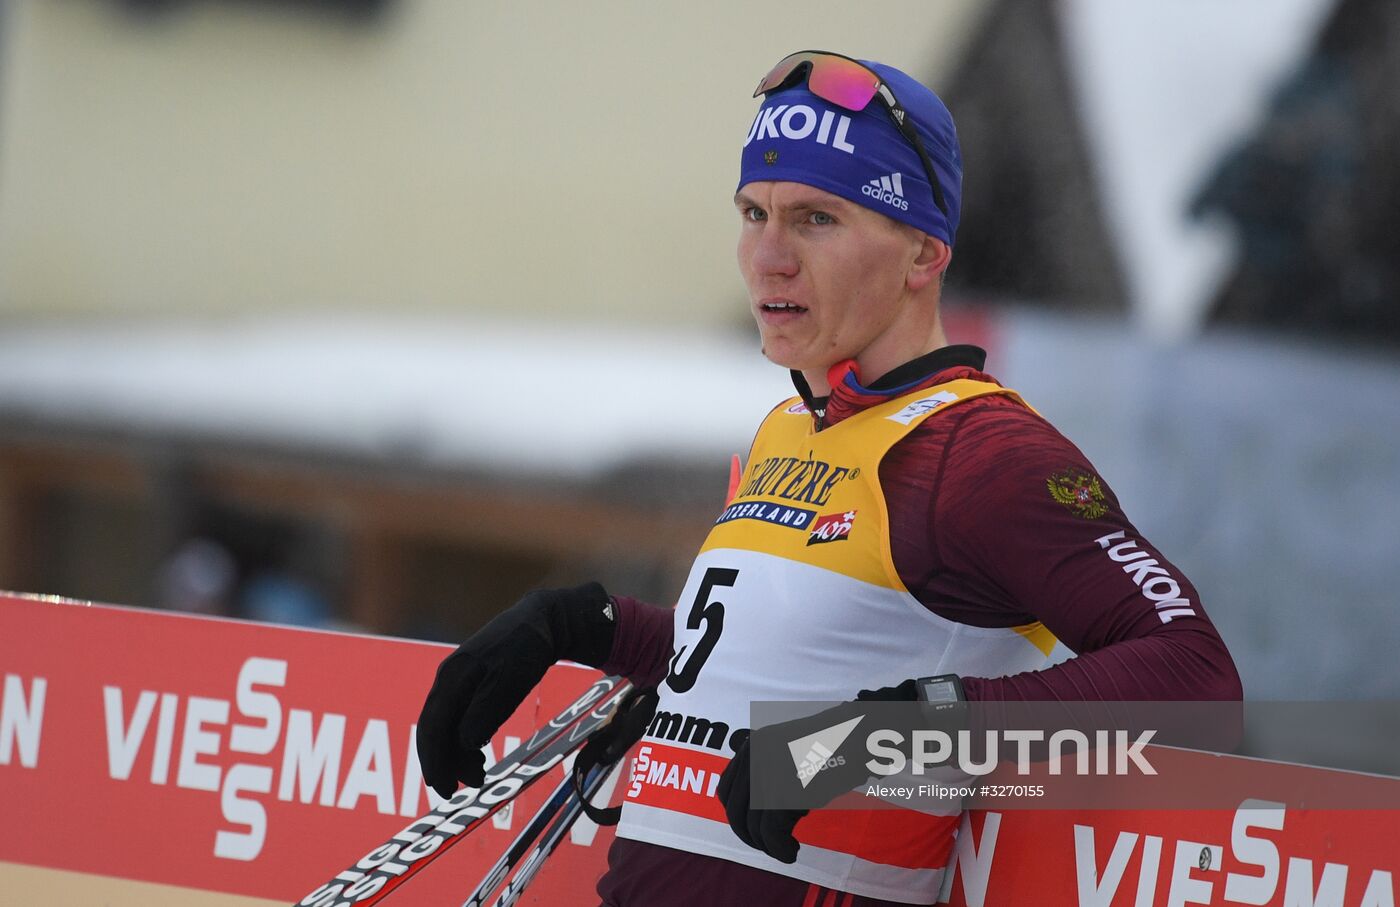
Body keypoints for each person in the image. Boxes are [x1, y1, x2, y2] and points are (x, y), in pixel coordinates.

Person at [417, 50, 1242, 906]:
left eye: (815, 219)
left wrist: (892, 737)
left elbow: (1197, 680)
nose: (767, 258)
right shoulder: (793, 425)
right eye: (753, 212)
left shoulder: (984, 452)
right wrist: (581, 625)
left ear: (923, 253)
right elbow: (777, 672)